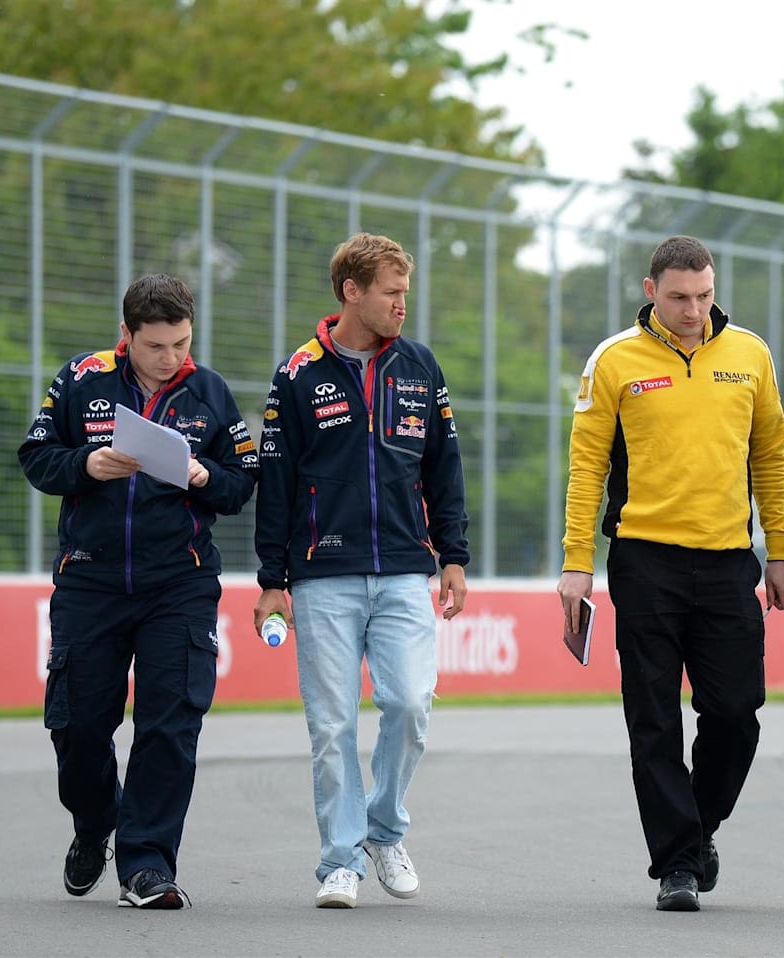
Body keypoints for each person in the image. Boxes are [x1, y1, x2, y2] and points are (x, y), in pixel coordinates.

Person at [557, 235, 784, 912]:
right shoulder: (614, 360)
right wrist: (576, 565)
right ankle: (677, 866)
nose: (693, 310)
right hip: (644, 562)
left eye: (704, 295)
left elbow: (771, 457)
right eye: (679, 298)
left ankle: (697, 831)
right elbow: (586, 469)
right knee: (654, 722)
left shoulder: (750, 354)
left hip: (728, 563)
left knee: (735, 714)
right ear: (650, 291)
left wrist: (780, 549)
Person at [18, 273, 259, 909]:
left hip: (179, 582)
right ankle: (95, 822)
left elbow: (241, 484)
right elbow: (36, 456)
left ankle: (146, 864)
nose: (172, 357)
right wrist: (85, 465)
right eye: (157, 345)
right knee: (77, 725)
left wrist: (204, 475)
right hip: (90, 578)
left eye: (182, 342)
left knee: (172, 721)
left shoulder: (208, 393)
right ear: (126, 337)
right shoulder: (82, 378)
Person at [253, 232, 469, 909]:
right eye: (392, 293)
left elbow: (444, 469)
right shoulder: (297, 374)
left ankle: (383, 829)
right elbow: (277, 481)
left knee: (409, 706)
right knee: (333, 726)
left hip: (407, 569)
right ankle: (339, 860)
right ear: (351, 292)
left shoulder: (420, 366)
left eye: (406, 292)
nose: (403, 305)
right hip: (322, 574)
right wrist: (271, 579)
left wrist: (454, 555)